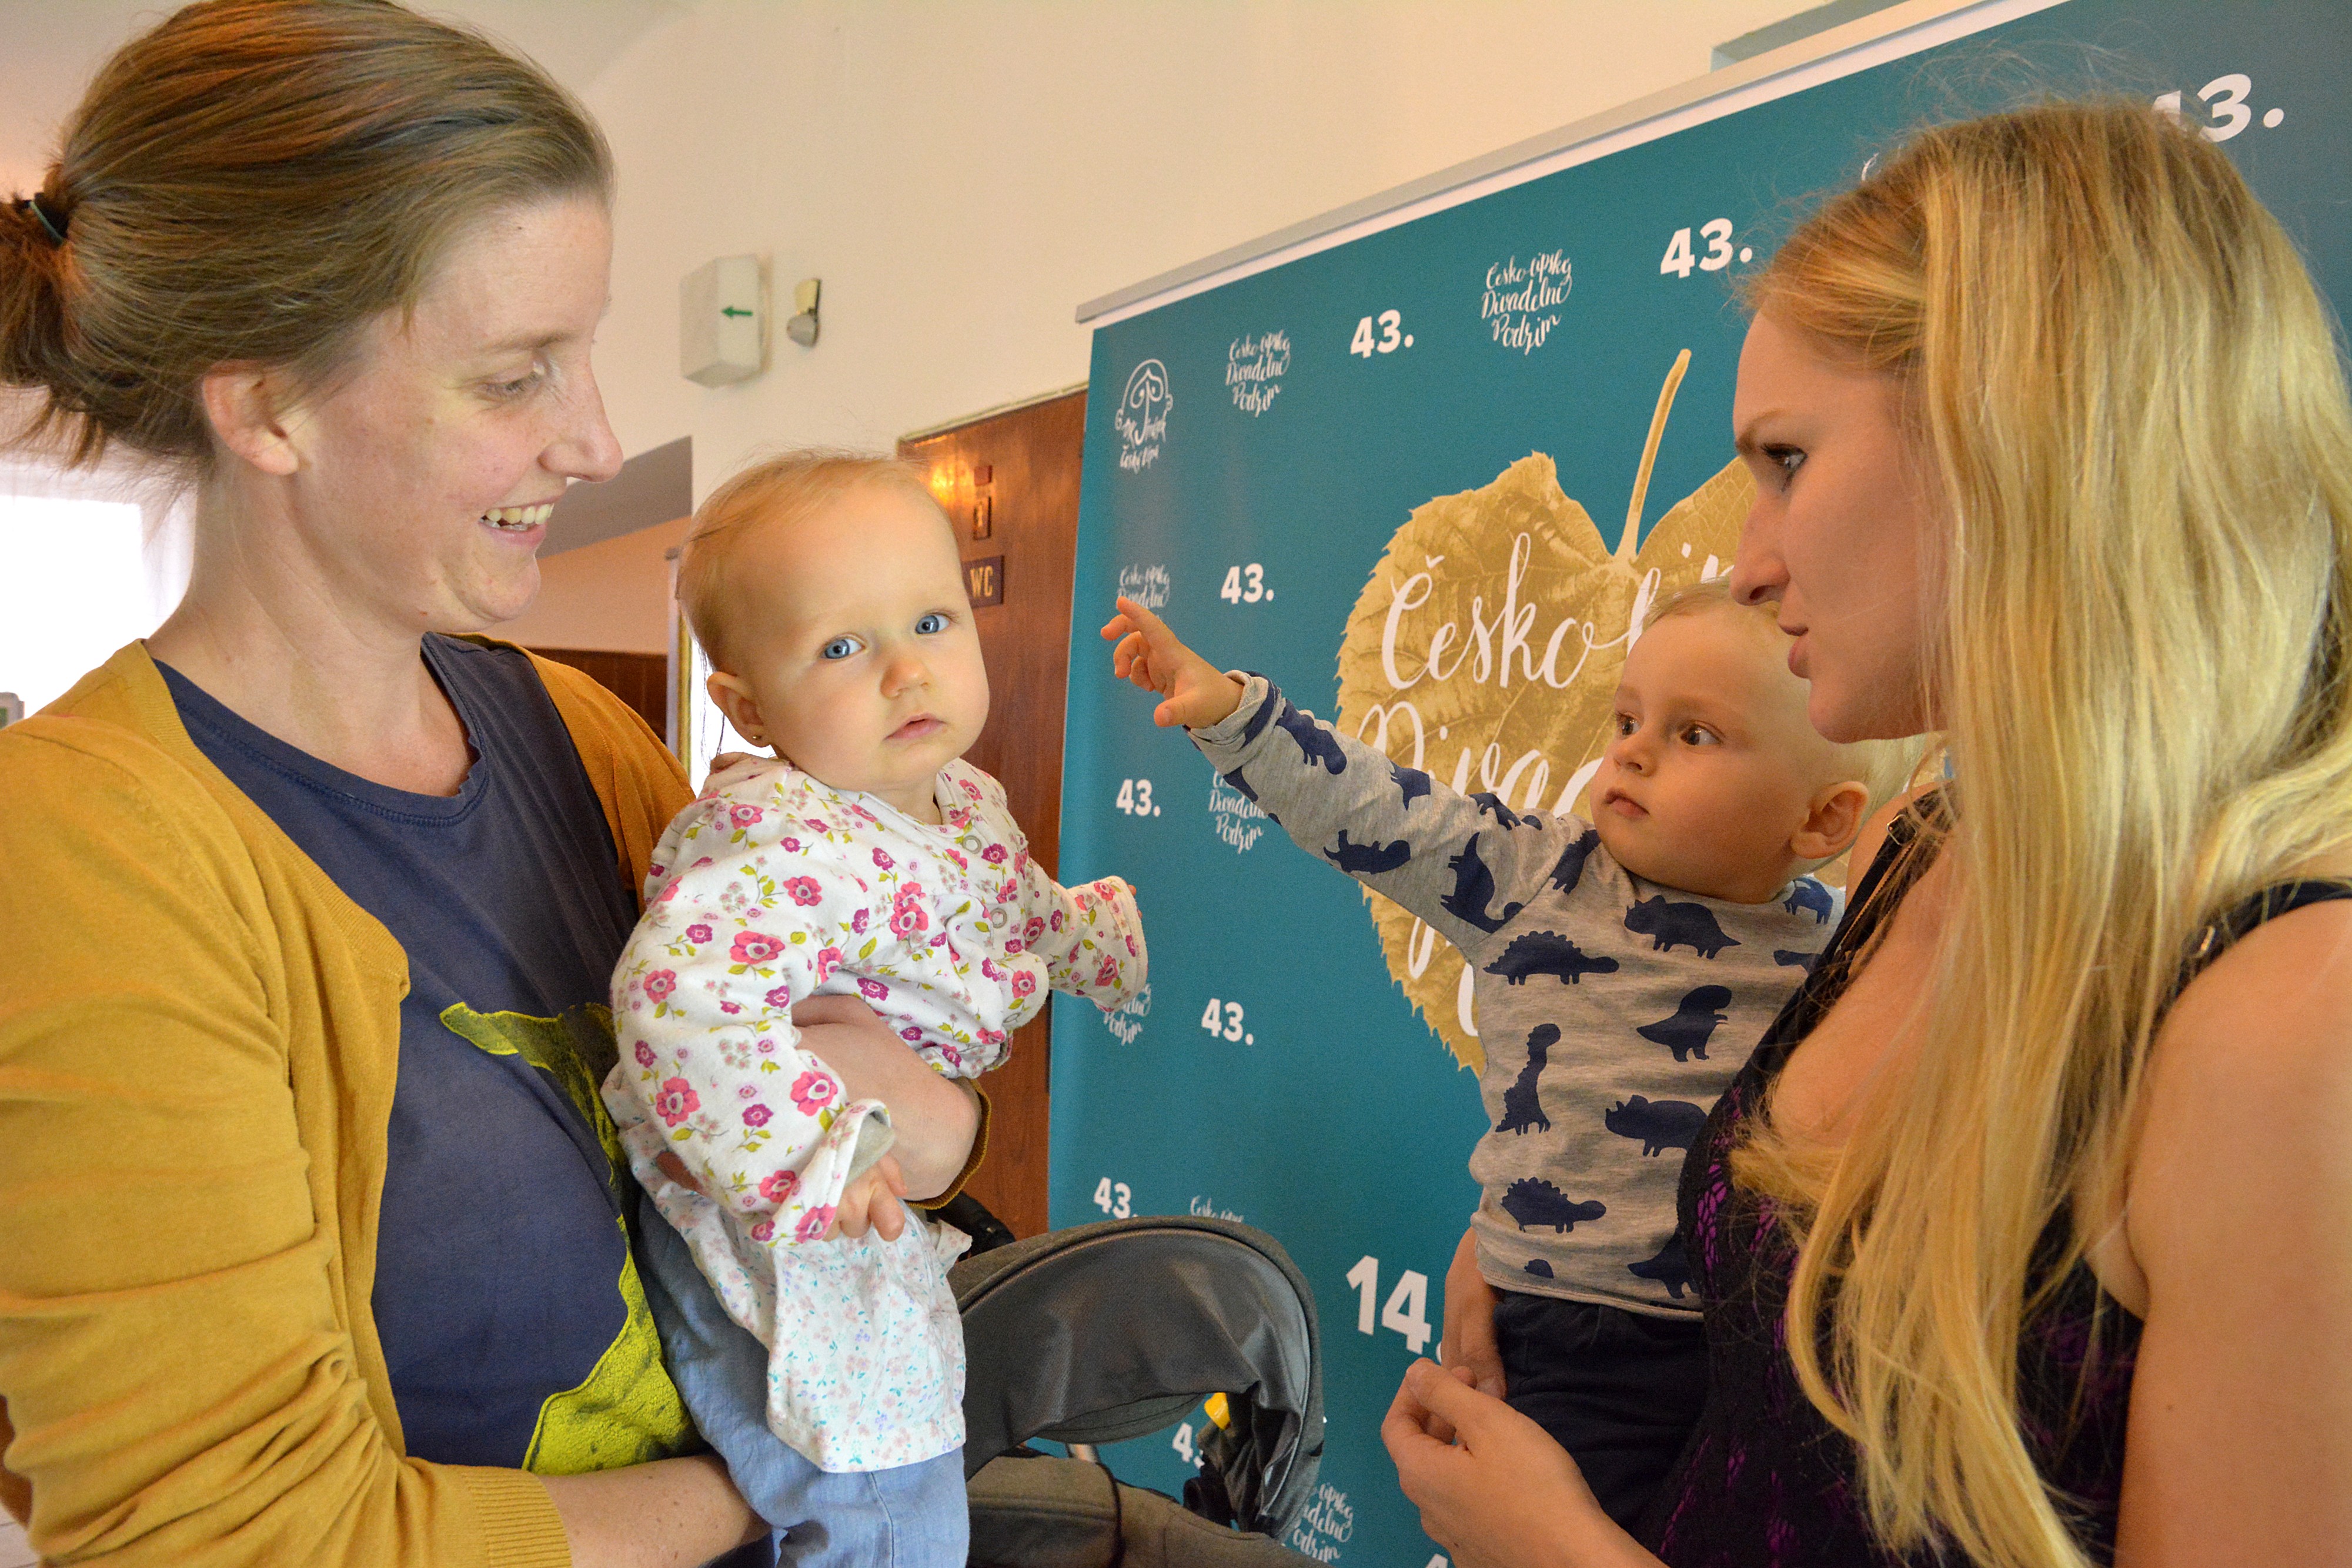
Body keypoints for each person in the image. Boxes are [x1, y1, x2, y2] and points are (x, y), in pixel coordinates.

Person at [0, 4, 975, 1565]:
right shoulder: (83, 853)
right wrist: (814, 1480)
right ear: (266, 407)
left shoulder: (582, 735)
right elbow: (231, 1534)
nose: (596, 440)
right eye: (519, 376)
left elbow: (862, 1105)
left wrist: (931, 1121)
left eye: (583, 355)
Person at [1381, 101, 2352, 1568]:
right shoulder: (1914, 839)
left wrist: (1559, 1551)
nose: (1745, 562)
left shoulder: (2288, 1023)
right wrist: (1533, 1224)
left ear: (2017, 440)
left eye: (1785, 460)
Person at [1102, 583, 1916, 1529]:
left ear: (1823, 822)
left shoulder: (1845, 946)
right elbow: (1375, 808)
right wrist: (1236, 716)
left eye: (1695, 734)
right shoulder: (1535, 873)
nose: (1632, 751)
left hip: (1758, 1341)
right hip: (1567, 1338)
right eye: (1627, 720)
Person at [608, 452, 1147, 1566]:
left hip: (873, 1200)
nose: (908, 672)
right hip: (776, 1210)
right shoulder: (779, 835)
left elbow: (1007, 901)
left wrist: (1090, 942)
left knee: (913, 1468)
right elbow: (681, 999)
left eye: (933, 623)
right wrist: (811, 1147)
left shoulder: (964, 802)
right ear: (748, 706)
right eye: (842, 648)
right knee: (876, 1499)